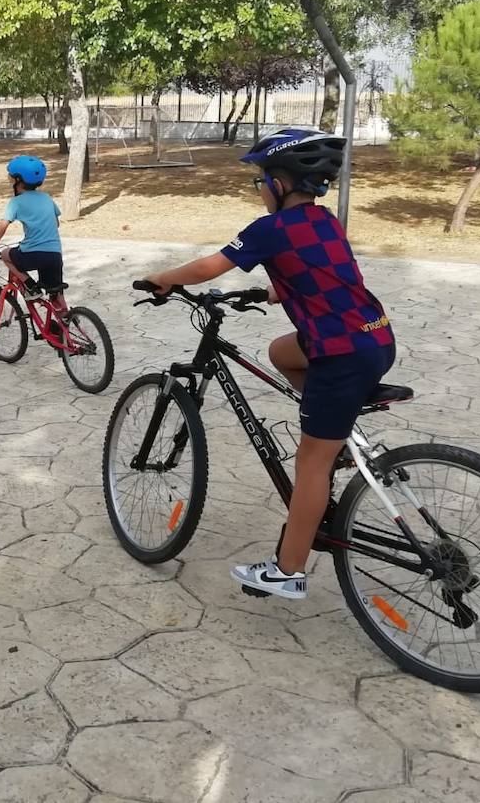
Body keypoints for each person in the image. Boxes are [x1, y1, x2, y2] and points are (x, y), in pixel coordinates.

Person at [142, 128, 396, 601]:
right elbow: (314, 275)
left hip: (340, 355)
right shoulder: (325, 222)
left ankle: (287, 570)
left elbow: (206, 269)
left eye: (259, 179)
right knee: (282, 351)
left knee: (310, 464)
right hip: (375, 339)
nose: (257, 188)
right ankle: (337, 434)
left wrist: (161, 278)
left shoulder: (269, 230)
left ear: (279, 184)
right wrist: (263, 293)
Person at [0, 155, 65, 308]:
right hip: (54, 254)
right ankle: (66, 322)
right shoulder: (46, 198)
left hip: (33, 254)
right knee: (55, 295)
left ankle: (30, 287)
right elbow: (55, 223)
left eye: (11, 176)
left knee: (5, 254)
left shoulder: (16, 203)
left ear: (18, 180)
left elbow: (1, 228)